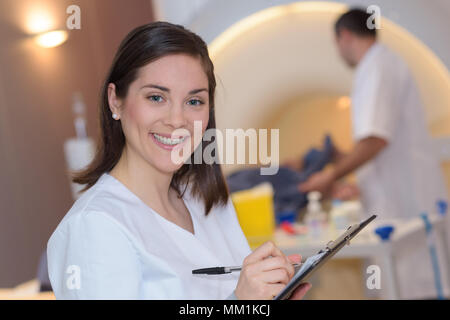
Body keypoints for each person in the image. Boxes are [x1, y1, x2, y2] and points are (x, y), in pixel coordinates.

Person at [47, 22, 311, 300]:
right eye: (156, 97)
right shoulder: (94, 227)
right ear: (116, 101)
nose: (177, 120)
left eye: (194, 101)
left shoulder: (204, 199)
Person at [299, 8, 449, 299]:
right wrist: (356, 179)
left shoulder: (377, 66)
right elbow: (380, 147)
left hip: (407, 209)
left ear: (343, 36)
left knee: (414, 286)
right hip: (393, 203)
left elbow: (376, 140)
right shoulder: (379, 65)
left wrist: (329, 176)